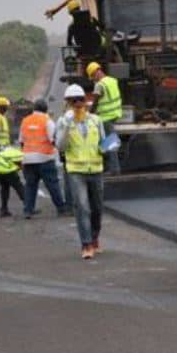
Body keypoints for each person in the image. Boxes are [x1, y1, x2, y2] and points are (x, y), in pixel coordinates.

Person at [56, 84, 106, 259]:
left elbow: (103, 143)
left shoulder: (96, 121)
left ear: (85, 102)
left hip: (96, 169)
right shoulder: (63, 122)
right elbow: (60, 146)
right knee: (82, 207)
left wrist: (109, 147)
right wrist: (67, 126)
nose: (78, 104)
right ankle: (86, 244)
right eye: (73, 101)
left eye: (80, 100)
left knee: (97, 208)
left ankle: (94, 238)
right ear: (68, 103)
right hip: (76, 171)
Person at [19, 98, 67, 218]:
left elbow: (21, 141)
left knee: (30, 186)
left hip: (28, 159)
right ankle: (61, 208)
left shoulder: (25, 121)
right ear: (45, 109)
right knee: (52, 184)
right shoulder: (47, 121)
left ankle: (28, 210)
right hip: (45, 158)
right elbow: (53, 139)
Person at [87, 62, 122, 175]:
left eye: (92, 76)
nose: (93, 79)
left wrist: (89, 114)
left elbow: (95, 102)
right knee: (106, 142)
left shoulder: (100, 85)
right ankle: (109, 166)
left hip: (105, 117)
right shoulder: (112, 80)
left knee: (110, 143)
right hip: (115, 114)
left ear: (96, 72)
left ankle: (114, 169)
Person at [0, 147, 26, 218]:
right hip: (4, 167)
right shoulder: (22, 156)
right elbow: (21, 166)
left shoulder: (15, 152)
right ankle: (29, 207)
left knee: (5, 186)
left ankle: (3, 210)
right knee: (18, 186)